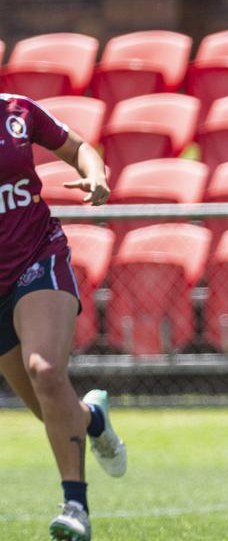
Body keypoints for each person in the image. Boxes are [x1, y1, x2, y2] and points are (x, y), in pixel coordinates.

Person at [0, 93, 127, 541]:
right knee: (50, 410)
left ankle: (76, 507)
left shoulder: (18, 111)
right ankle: (92, 418)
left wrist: (96, 177)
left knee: (46, 372)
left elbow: (78, 148)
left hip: (37, 259)